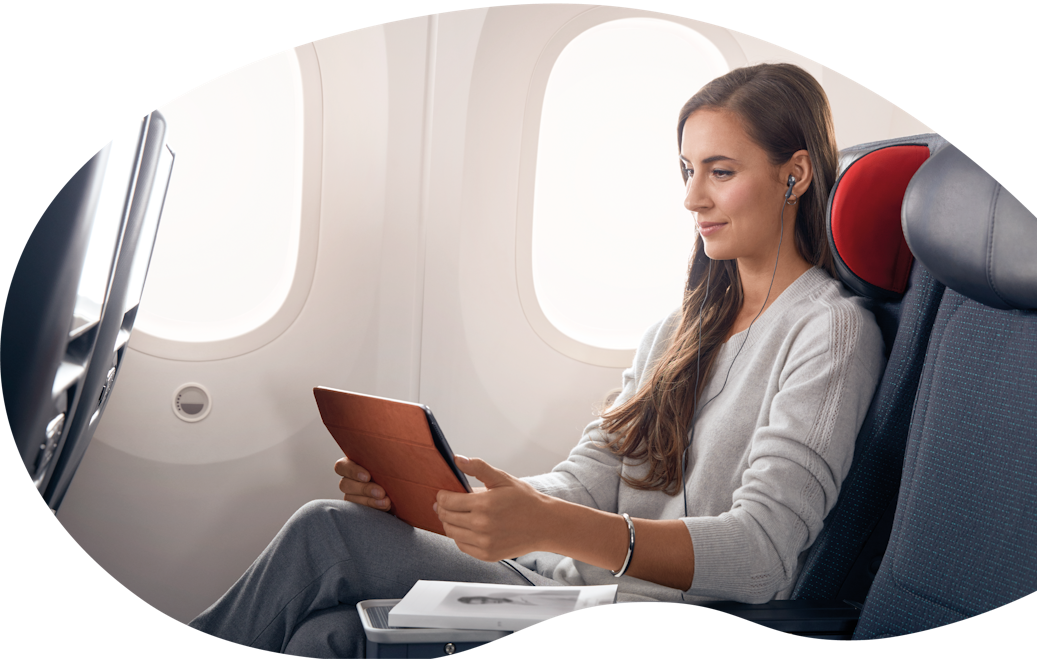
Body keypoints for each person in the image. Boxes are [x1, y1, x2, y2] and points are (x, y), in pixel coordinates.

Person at [188, 62, 885, 657]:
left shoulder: (830, 332)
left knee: (326, 533)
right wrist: (455, 495)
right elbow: (589, 476)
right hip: (566, 580)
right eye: (686, 170)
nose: (691, 197)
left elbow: (762, 554)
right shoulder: (677, 329)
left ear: (794, 175)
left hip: (643, 601)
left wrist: (546, 524)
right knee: (325, 634)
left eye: (720, 171)